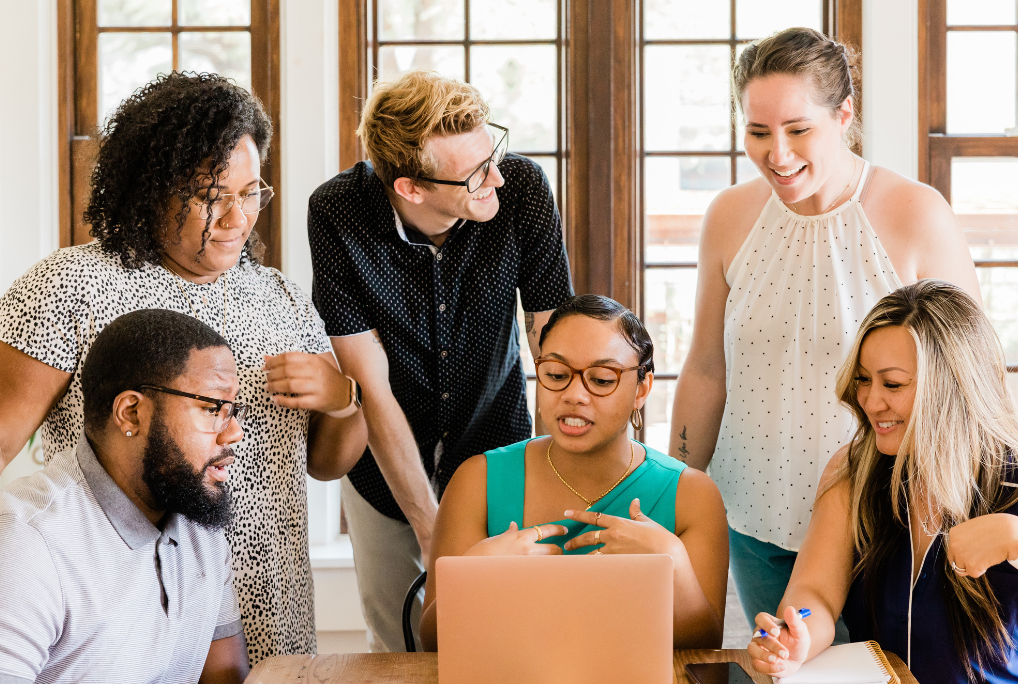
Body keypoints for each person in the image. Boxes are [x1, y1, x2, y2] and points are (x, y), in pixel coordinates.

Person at [0, 73, 367, 663]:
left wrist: (343, 399)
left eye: (250, 194)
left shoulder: (281, 299)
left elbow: (327, 463)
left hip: (270, 595)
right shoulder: (70, 286)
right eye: (209, 196)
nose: (236, 219)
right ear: (152, 189)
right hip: (128, 604)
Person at [668, 27, 983, 630]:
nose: (777, 154)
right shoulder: (729, 217)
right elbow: (707, 366)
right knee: (782, 666)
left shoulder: (916, 214)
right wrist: (677, 488)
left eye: (798, 129)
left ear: (844, 114)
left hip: (883, 522)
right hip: (754, 521)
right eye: (758, 132)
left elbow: (970, 378)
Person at [308, 70, 573, 652]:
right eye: (475, 173)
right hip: (382, 466)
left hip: (496, 444)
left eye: (492, 154)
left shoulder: (522, 189)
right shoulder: (337, 212)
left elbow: (555, 350)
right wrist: (431, 530)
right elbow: (368, 384)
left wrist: (566, 483)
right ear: (411, 188)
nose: (495, 177)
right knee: (399, 641)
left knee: (505, 639)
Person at [418, 294, 729, 651]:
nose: (574, 394)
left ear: (641, 389)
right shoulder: (477, 480)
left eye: (600, 379)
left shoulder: (693, 495)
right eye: (556, 374)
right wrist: (474, 580)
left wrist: (672, 564)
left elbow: (704, 648)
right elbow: (432, 643)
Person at [749, 280, 1018, 684]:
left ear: (953, 385)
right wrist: (796, 637)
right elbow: (815, 593)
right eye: (863, 379)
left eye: (892, 384)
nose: (871, 402)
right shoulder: (852, 471)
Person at [0, 309, 250, 683]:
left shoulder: (201, 528)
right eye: (212, 408)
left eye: (232, 410)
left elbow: (225, 678)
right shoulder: (26, 544)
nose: (233, 434)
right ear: (131, 413)